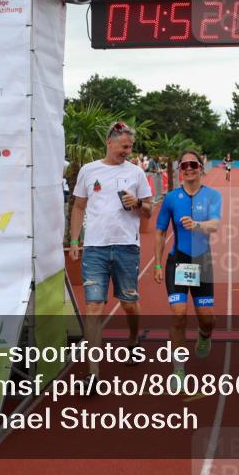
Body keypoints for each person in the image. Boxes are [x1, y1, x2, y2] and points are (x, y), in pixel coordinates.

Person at [69, 121, 153, 390]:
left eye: (130, 147)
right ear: (109, 142)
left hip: (127, 246)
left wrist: (138, 203)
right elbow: (79, 206)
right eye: (124, 146)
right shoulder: (88, 170)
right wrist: (74, 240)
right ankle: (93, 373)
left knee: (129, 303)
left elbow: (149, 211)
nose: (128, 151)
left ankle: (133, 338)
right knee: (93, 306)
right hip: (95, 248)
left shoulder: (137, 173)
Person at [154, 149, 222, 390]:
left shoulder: (213, 196)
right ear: (179, 170)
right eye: (185, 166)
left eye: (193, 164)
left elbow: (215, 224)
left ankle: (204, 336)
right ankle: (178, 370)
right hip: (178, 262)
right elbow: (160, 232)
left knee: (207, 319)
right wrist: (158, 263)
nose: (189, 168)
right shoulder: (171, 198)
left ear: (200, 167)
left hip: (202, 262)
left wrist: (197, 225)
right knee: (179, 314)